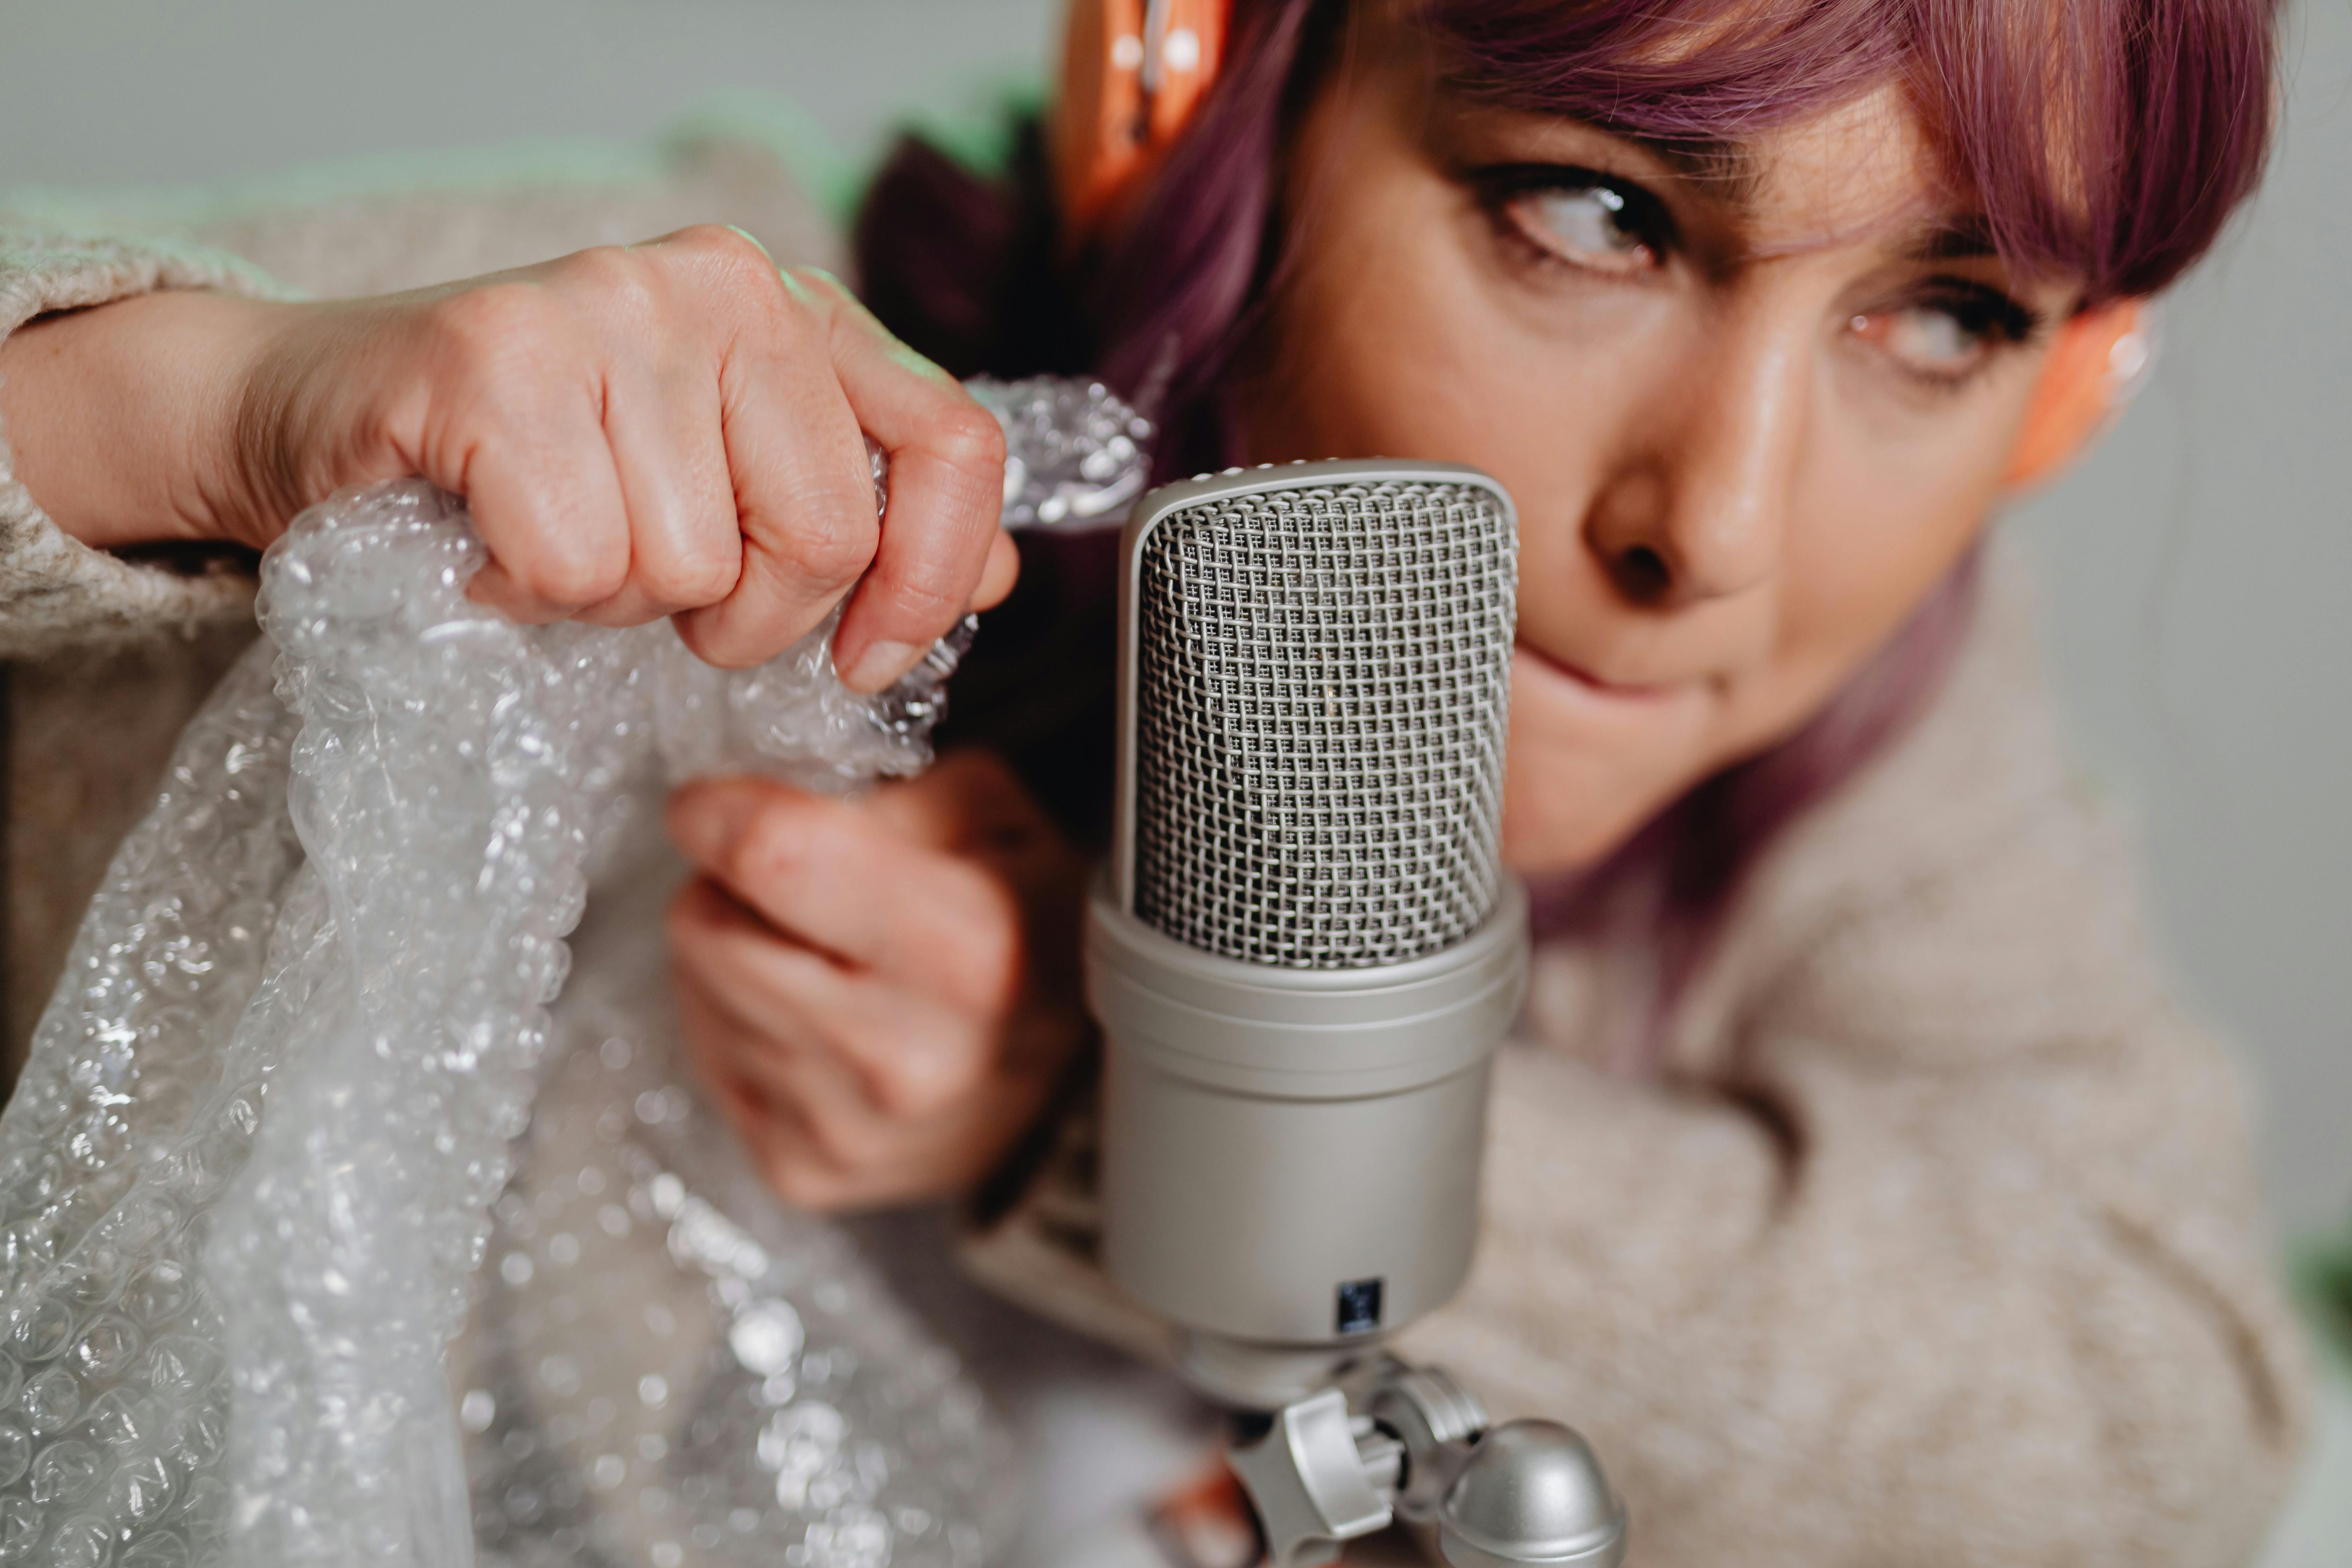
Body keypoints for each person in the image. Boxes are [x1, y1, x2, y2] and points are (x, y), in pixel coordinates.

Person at [0, 0, 2311, 1562]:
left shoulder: (1870, 724)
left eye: (1951, 314)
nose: (1716, 524)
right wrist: (210, 405)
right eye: (1596, 214)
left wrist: (1103, 1112)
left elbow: (2164, 1414)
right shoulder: (699, 357)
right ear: (1201, 85)